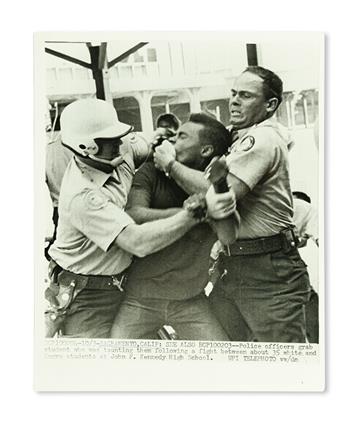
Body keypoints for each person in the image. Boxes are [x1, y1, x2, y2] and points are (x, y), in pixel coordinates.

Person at [45, 98, 204, 338]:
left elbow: (150, 145)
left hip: (125, 284)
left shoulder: (120, 149)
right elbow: (137, 242)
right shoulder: (82, 196)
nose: (120, 142)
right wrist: (193, 215)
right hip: (86, 297)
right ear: (87, 146)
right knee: (96, 369)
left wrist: (167, 148)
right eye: (111, 140)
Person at [206, 66, 311, 343]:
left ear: (270, 104)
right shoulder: (241, 135)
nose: (234, 101)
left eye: (245, 96)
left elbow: (220, 195)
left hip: (268, 269)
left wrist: (169, 165)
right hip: (238, 265)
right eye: (233, 93)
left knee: (285, 366)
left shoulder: (262, 137)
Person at [110, 113, 238, 340]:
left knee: (223, 360)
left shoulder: (211, 184)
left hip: (191, 298)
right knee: (113, 362)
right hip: (141, 298)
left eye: (181, 137)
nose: (169, 142)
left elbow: (228, 236)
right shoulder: (150, 171)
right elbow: (134, 215)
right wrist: (196, 213)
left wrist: (211, 194)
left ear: (206, 151)